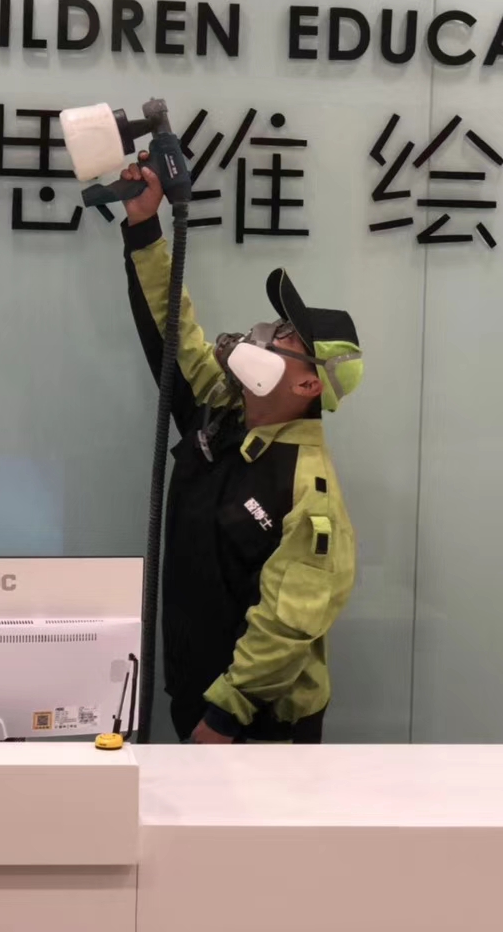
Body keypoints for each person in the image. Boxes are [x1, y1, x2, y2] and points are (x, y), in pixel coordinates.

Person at [117, 152, 364, 744]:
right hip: (194, 694)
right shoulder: (221, 411)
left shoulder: (308, 487)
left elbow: (289, 621)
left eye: (285, 337)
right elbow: (174, 329)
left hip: (257, 725)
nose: (264, 334)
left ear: (309, 385)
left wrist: (226, 716)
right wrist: (144, 227)